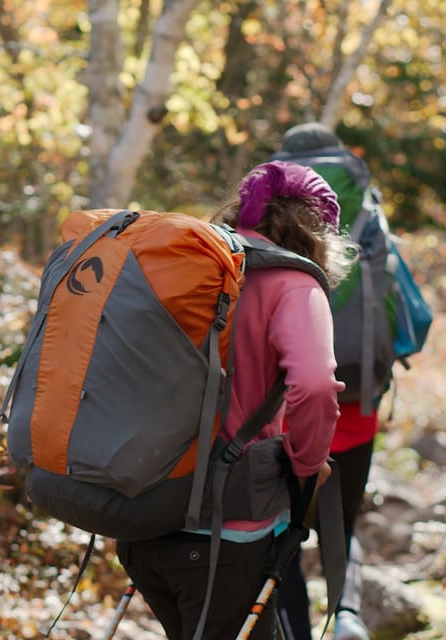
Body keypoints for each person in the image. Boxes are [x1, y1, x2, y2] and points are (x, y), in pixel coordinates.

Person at [115, 160, 357, 640]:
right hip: (225, 533)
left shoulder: (187, 269)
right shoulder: (294, 283)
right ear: (319, 233)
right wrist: (305, 467)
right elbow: (313, 385)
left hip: (140, 515)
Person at [272, 123, 387, 640]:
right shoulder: (367, 206)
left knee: (280, 535)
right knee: (342, 525)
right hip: (357, 395)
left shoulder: (266, 201)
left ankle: (296, 632)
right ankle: (346, 616)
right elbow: (405, 309)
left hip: (277, 407)